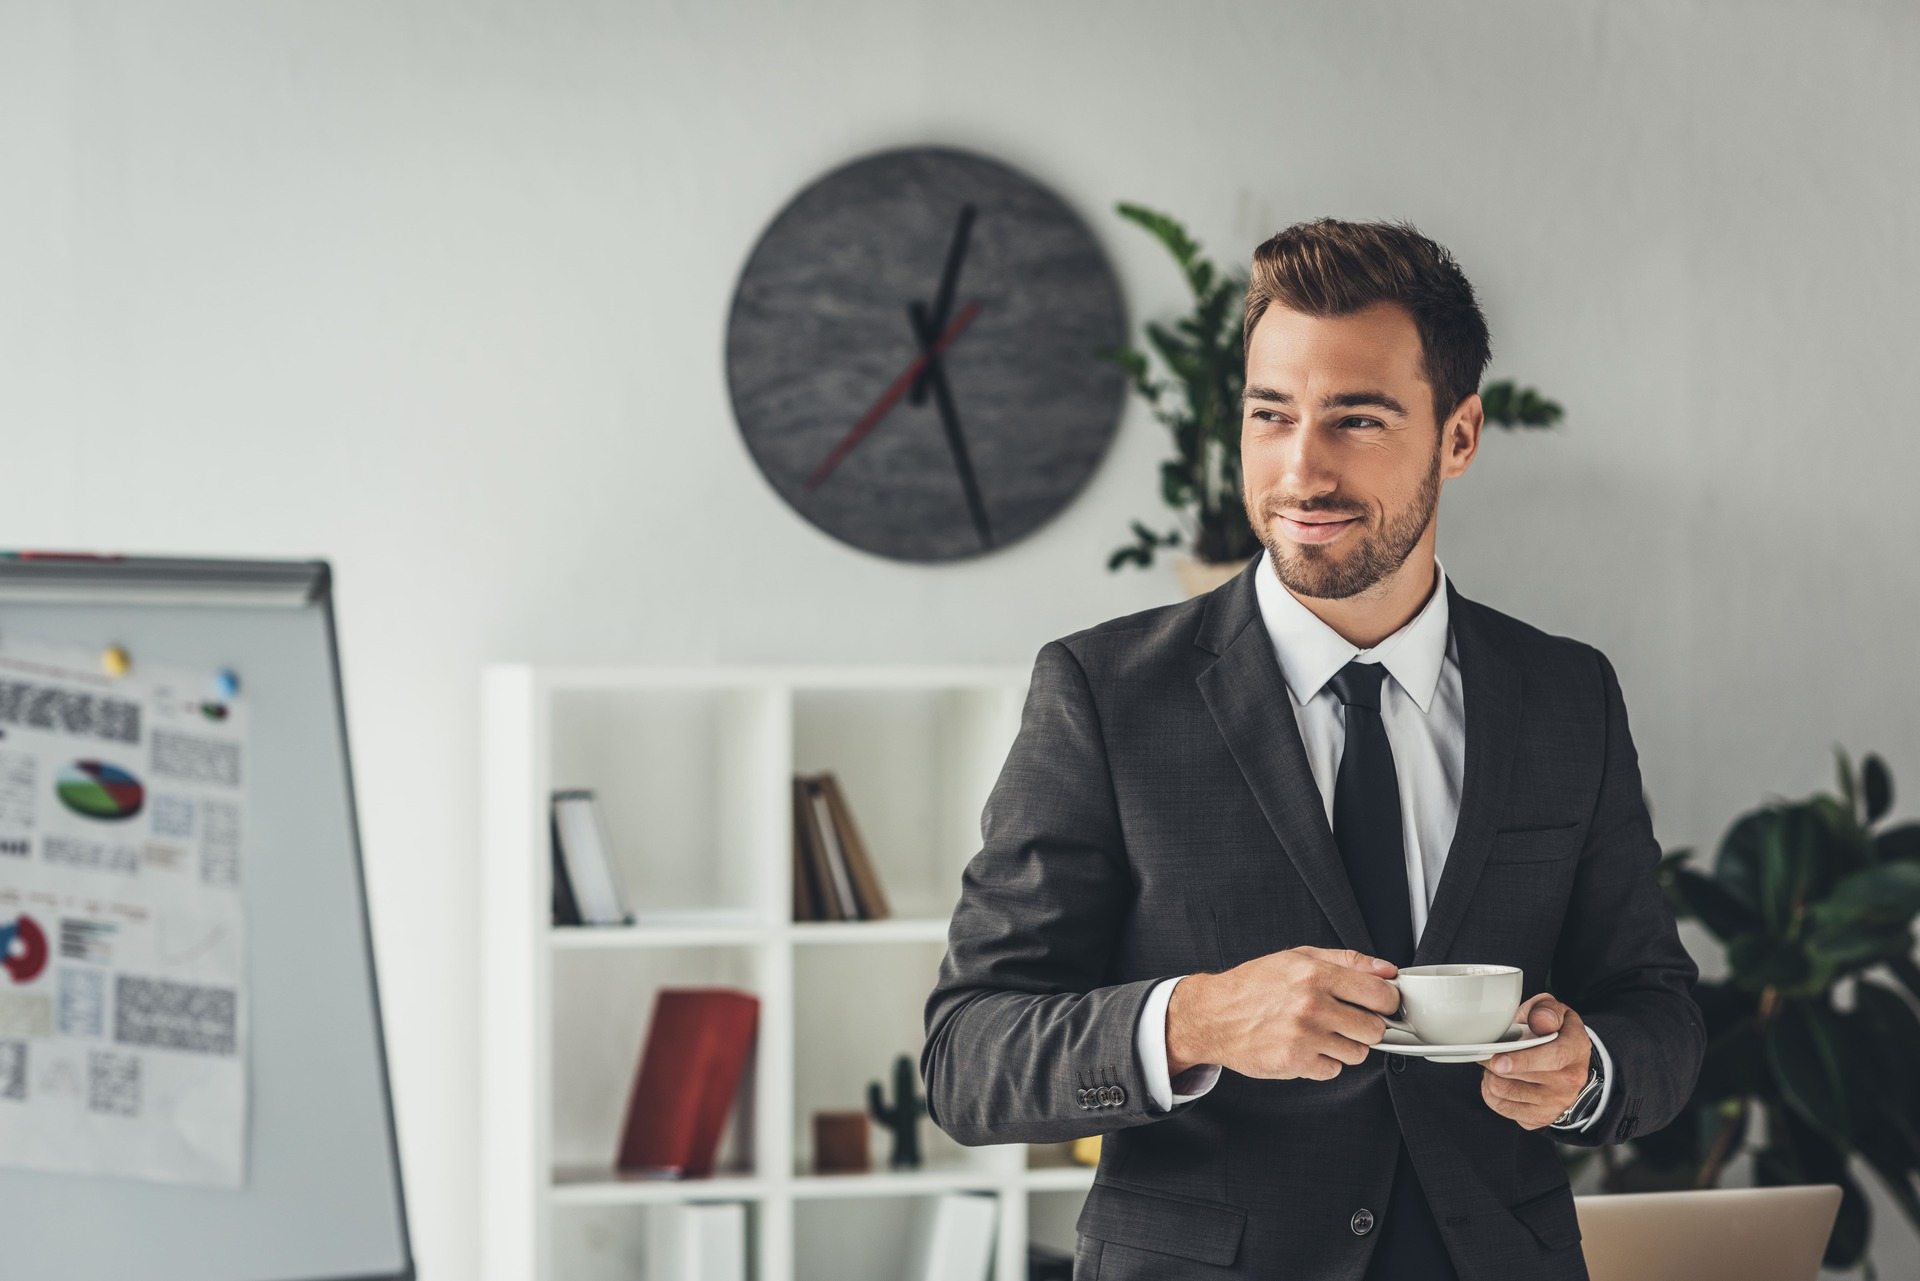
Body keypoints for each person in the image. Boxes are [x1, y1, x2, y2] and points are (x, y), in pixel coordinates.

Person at [920, 218, 1705, 1280]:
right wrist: (1194, 1019)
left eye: (1356, 420)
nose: (1301, 470)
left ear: (1459, 437)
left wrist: (1589, 1066)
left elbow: (1657, 1007)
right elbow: (968, 1056)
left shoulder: (1567, 697)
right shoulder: (1104, 696)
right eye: (1270, 415)